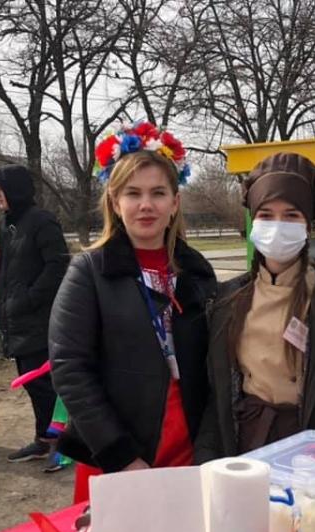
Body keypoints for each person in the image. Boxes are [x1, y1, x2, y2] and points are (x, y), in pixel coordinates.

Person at [49, 122, 216, 502]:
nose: (146, 205)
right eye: (133, 193)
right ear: (114, 201)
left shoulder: (197, 272)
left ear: (175, 203)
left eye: (158, 193)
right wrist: (121, 457)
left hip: (190, 449)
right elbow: (71, 369)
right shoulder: (89, 272)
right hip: (118, 453)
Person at [194, 152, 315, 461]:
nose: (277, 226)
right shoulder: (227, 299)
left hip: (311, 447)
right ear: (253, 221)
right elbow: (217, 396)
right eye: (266, 215)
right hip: (246, 438)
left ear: (308, 225)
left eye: (291, 215)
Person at [0, 165, 68, 468]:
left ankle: (60, 444)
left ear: (15, 190)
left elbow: (57, 265)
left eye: (0, 189)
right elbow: (6, 268)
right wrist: (1, 299)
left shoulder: (42, 221)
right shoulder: (7, 224)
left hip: (39, 319)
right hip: (16, 318)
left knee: (44, 385)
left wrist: (30, 298)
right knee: (33, 384)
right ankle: (45, 439)